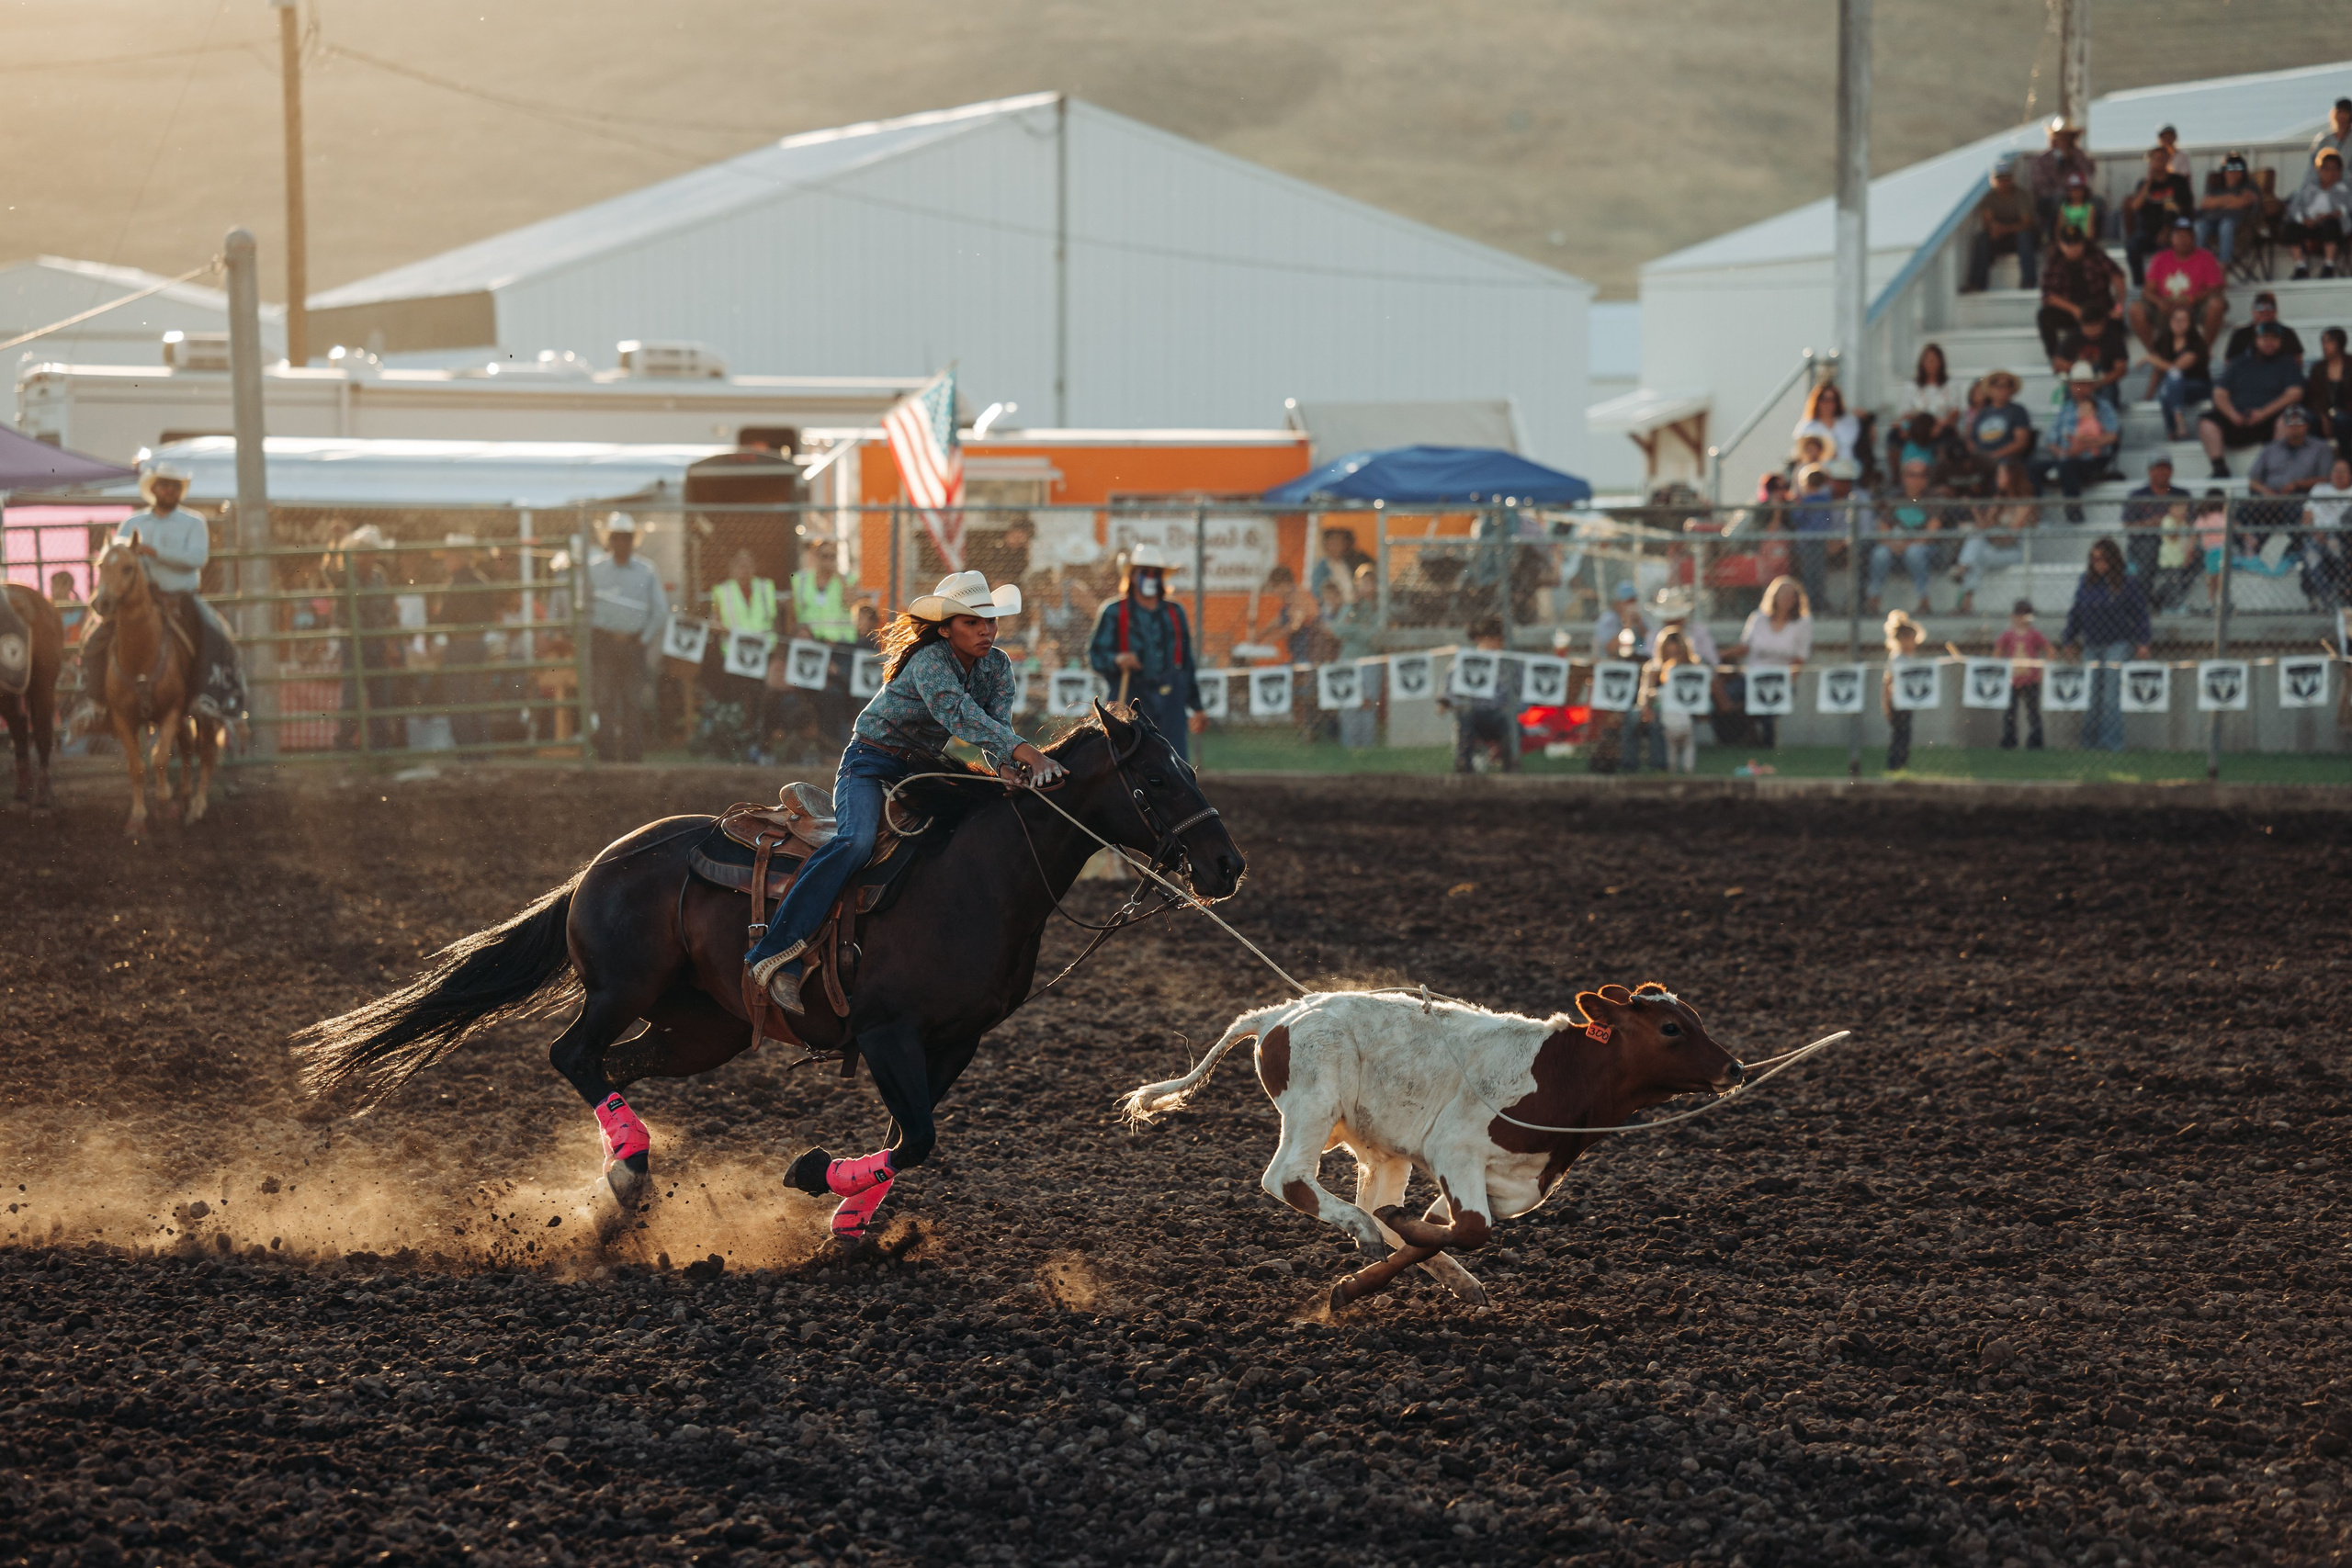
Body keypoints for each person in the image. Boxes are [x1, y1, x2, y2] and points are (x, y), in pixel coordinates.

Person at [743, 570, 1064, 1013]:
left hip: (918, 770)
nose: (986, 630)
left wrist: (1007, 765)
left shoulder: (998, 666)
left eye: (990, 620)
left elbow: (996, 727)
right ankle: (773, 950)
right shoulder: (931, 660)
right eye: (972, 622)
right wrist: (1029, 754)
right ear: (946, 628)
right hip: (870, 762)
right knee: (856, 843)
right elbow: (960, 716)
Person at [69, 461, 246, 737]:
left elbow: (198, 559)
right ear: (153, 489)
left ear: (180, 491)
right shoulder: (132, 523)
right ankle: (91, 701)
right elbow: (117, 560)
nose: (169, 490)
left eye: (174, 486)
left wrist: (157, 553)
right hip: (137, 599)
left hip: (181, 597)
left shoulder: (193, 521)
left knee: (214, 633)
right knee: (94, 640)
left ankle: (210, 697)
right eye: (164, 485)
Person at [1087, 543, 1205, 760]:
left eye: (1155, 573)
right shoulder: (1113, 611)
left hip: (1171, 700)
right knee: (1130, 759)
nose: (1150, 577)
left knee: (1173, 760)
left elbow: (1186, 662)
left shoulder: (1175, 612)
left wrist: (1196, 706)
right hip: (1130, 696)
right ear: (1132, 576)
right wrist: (1117, 659)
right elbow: (1096, 656)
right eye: (1144, 572)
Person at [585, 511, 667, 762]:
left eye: (626, 538)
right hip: (604, 642)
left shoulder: (646, 571)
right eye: (617, 537)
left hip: (633, 644)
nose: (621, 542)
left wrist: (643, 639)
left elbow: (661, 610)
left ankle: (633, 757)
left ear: (633, 541)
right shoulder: (595, 569)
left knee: (632, 700)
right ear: (609, 540)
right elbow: (583, 606)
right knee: (604, 699)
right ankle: (607, 756)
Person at [2060, 538, 2153, 751]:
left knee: (2111, 696)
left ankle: (2111, 744)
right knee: (2091, 695)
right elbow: (2076, 612)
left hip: (2117, 643)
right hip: (2092, 643)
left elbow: (2140, 614)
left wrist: (2143, 641)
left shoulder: (2127, 583)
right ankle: (2088, 743)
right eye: (2094, 559)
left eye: (2102, 559)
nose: (2098, 564)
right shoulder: (2086, 581)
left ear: (2112, 560)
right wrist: (2069, 638)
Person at [2199, 320, 2307, 479]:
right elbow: (2219, 393)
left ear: (2280, 341)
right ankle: (2219, 467)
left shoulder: (2288, 363)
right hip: (2238, 418)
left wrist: (2263, 413)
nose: (2269, 342)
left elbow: (2295, 393)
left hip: (2269, 420)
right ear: (2256, 340)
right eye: (2264, 338)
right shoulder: (2238, 363)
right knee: (2206, 422)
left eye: (2274, 338)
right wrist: (2232, 414)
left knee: (2286, 420)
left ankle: (2274, 468)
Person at [790, 536, 862, 748]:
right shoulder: (801, 580)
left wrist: (838, 576)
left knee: (843, 687)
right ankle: (823, 741)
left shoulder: (848, 579)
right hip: (812, 646)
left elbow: (851, 603)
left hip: (840, 646)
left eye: (832, 556)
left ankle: (839, 739)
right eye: (824, 556)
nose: (828, 561)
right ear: (815, 557)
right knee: (821, 692)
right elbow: (794, 615)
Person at [1728, 575, 1811, 749]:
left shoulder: (1803, 623)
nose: (1787, 598)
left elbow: (1799, 658)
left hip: (1780, 679)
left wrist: (1788, 684)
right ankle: (1742, 737)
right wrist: (1718, 655)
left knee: (1768, 707)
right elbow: (1744, 647)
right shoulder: (1758, 618)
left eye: (1791, 595)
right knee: (1729, 695)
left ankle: (1767, 745)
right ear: (1774, 596)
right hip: (1752, 676)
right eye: (1783, 594)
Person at [434, 536, 500, 750]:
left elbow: (444, 617)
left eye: (449, 557)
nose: (445, 561)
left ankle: (466, 750)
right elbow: (490, 613)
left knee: (459, 699)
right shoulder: (481, 581)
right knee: (476, 697)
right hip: (478, 644)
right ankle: (482, 749)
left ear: (458, 558)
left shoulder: (453, 585)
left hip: (459, 646)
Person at [2128, 217, 2227, 357]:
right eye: (2178, 235)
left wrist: (2193, 299)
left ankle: (2203, 350)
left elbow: (2215, 288)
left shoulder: (2206, 257)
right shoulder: (2160, 258)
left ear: (2193, 237)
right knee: (2135, 309)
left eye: (2186, 235)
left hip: (2195, 305)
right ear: (2171, 238)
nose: (2182, 239)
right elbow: (2147, 291)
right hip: (2165, 305)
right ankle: (2154, 353)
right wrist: (2160, 302)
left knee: (2217, 304)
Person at [2036, 362, 2120, 523]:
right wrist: (2065, 453)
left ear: (2091, 386)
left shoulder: (2102, 407)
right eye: (2076, 385)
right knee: (2032, 468)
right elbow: (2051, 440)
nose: (2079, 389)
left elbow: (2113, 435)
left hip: (2093, 459)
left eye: (2084, 384)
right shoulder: (2066, 408)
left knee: (2067, 467)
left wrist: (2086, 445)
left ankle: (2073, 510)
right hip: (2066, 457)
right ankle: (2036, 512)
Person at [1866, 457, 1949, 615]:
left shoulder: (1933, 499)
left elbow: (1932, 531)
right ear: (1903, 477)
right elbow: (1882, 528)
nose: (1916, 480)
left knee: (1914, 553)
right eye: (1912, 475)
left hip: (1927, 550)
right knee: (1880, 554)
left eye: (1921, 475)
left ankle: (1924, 601)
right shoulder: (1894, 498)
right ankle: (1874, 600)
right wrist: (1893, 544)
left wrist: (1907, 544)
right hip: (1895, 546)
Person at [1954, 459, 2037, 615]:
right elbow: (1984, 525)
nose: (1997, 479)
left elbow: (2011, 536)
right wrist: (1973, 509)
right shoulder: (1999, 499)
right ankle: (1966, 597)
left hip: (2015, 551)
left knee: (1977, 551)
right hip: (1994, 546)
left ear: (2012, 477)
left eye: (2001, 475)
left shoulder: (2024, 502)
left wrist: (1989, 533)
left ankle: (1962, 572)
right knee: (1977, 546)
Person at [2244, 405, 2334, 548]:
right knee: (2243, 511)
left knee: (2294, 513)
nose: (2294, 427)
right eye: (2290, 423)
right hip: (2271, 499)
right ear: (2284, 427)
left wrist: (2297, 484)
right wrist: (2267, 492)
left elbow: (2327, 478)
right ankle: (2252, 551)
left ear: (2307, 425)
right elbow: (2252, 480)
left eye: (2299, 423)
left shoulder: (2321, 448)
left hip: (2301, 499)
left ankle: (2295, 551)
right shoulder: (2270, 449)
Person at [1442, 615, 1521, 773]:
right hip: (1473, 714)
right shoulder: (1464, 662)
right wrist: (1450, 703)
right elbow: (1449, 691)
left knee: (1508, 720)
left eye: (1499, 640)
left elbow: (1521, 692)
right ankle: (1463, 766)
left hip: (1499, 715)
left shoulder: (1512, 664)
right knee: (1466, 715)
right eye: (1489, 639)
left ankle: (1510, 767)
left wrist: (1514, 707)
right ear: (1478, 639)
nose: (1494, 644)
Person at [2038, 226, 2124, 363]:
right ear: (2061, 244)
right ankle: (2057, 360)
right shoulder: (2054, 262)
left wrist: (2118, 307)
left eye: (2077, 243)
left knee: (2115, 323)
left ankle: (2111, 364)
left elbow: (2118, 277)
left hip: (2099, 309)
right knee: (2044, 316)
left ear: (2083, 243)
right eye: (2069, 244)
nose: (2073, 248)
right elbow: (2048, 296)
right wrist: (2075, 310)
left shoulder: (2097, 256)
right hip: (2072, 312)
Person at [2122, 145, 2199, 288]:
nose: (2158, 162)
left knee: (2167, 250)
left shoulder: (2178, 182)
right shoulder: (2144, 184)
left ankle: (2166, 287)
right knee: (2132, 246)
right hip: (2146, 231)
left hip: (2173, 230)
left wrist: (2168, 230)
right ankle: (2139, 285)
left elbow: (2182, 208)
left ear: (2168, 160)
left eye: (2162, 159)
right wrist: (2149, 182)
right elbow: (2135, 206)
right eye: (2155, 159)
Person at [2140, 301, 2213, 441]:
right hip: (2175, 389)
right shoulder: (2163, 341)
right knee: (2165, 390)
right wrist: (2148, 397)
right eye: (2175, 319)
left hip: (2197, 386)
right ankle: (2174, 430)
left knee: (2174, 375)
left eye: (2183, 320)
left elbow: (2176, 367)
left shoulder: (2196, 343)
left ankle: (2177, 423)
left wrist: (2151, 359)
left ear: (2190, 324)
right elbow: (2158, 371)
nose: (2178, 323)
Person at [1964, 156, 2040, 292]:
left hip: (2019, 237)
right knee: (1982, 238)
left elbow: (2027, 223)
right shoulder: (1989, 197)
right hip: (2001, 237)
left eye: (2006, 179)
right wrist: (1994, 230)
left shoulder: (2021, 195)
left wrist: (2004, 229)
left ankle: (2029, 281)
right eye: (2000, 179)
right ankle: (1977, 283)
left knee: (2024, 237)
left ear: (2012, 179)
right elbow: (1987, 223)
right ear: (1994, 181)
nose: (2003, 183)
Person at [1887, 344, 1964, 475]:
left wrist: (1939, 426)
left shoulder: (1951, 384)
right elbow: (1906, 412)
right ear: (1921, 363)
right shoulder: (1911, 385)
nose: (1931, 364)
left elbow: (1954, 411)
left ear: (1941, 362)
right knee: (1894, 435)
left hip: (1940, 426)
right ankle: (1897, 476)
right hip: (1916, 427)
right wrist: (1913, 427)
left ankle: (1941, 475)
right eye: (1928, 360)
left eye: (1934, 360)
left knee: (1947, 435)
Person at [1329, 561, 1382, 750]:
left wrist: (1353, 631)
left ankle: (1367, 745)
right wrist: (1360, 628)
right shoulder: (1352, 607)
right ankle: (1349, 746)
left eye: (1371, 582)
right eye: (1363, 582)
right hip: (1348, 659)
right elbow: (1338, 629)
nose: (1367, 587)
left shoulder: (1380, 608)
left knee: (1368, 702)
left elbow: (1376, 636)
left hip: (1371, 660)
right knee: (1348, 702)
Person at [2122, 454, 2189, 589]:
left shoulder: (2180, 494)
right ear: (2150, 471)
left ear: (2171, 471)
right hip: (2146, 541)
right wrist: (2153, 523)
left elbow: (2191, 521)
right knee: (2148, 549)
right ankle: (2145, 595)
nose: (2161, 472)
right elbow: (2129, 526)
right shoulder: (2138, 495)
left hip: (2175, 540)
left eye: (2165, 468)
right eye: (2157, 468)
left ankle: (2167, 594)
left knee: (2199, 553)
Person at [2283, 149, 2352, 279]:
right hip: (2309, 223)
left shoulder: (2344, 189)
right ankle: (2300, 266)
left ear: (2340, 171)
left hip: (2332, 224)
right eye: (2327, 169)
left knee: (2330, 225)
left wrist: (2332, 215)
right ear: (2320, 170)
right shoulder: (2309, 188)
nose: (2331, 173)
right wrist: (2303, 219)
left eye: (2335, 169)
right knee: (2290, 227)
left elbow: (2347, 207)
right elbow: (2294, 207)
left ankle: (2329, 266)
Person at [1963, 370, 2037, 491]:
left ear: (2011, 390)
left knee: (2002, 473)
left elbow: (2021, 442)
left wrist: (1994, 455)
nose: (2002, 390)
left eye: (2006, 386)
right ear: (1990, 389)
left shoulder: (2018, 411)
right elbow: (1971, 440)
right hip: (1981, 458)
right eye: (1998, 386)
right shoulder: (1982, 413)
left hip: (2007, 460)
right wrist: (1977, 456)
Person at [2030, 115, 2097, 245]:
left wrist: (2075, 156)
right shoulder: (2044, 159)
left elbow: (2090, 173)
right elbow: (2041, 188)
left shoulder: (2078, 155)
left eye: (2067, 137)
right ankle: (2055, 242)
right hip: (2050, 201)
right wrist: (2058, 165)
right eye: (2060, 137)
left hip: (2077, 198)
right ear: (2054, 138)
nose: (2064, 141)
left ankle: (2089, 242)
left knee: (2096, 203)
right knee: (2059, 202)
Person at [1994, 598, 2051, 750]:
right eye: (2020, 616)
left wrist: (2043, 671)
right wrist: (2000, 669)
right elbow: (1998, 651)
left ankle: (2036, 741)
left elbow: (2049, 650)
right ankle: (2009, 740)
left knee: (2033, 712)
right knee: (2010, 712)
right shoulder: (2008, 635)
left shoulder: (2034, 634)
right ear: (2014, 617)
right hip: (2012, 680)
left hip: (2031, 680)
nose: (2023, 620)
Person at [2054, 299, 2132, 411]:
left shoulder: (2113, 339)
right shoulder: (2072, 338)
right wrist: (2077, 370)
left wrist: (2098, 383)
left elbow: (2121, 369)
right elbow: (2057, 363)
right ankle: (2073, 418)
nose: (2091, 331)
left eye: (2095, 326)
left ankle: (2105, 418)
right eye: (2087, 327)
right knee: (2072, 393)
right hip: (2079, 382)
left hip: (2103, 382)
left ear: (2103, 323)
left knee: (2107, 394)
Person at [1644, 626, 1701, 774]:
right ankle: (1662, 764)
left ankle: (1684, 767)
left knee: (1686, 744)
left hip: (1686, 714)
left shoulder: (1692, 669)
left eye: (1676, 651)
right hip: (1662, 713)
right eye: (1669, 651)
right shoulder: (1654, 669)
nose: (1673, 655)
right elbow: (1647, 696)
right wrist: (1650, 703)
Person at [2198, 153, 2263, 271]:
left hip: (2237, 222)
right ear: (2224, 171)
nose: (2234, 172)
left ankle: (2223, 264)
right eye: (2229, 168)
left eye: (2238, 168)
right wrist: (2231, 199)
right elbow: (2205, 203)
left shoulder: (2249, 185)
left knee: (2226, 226)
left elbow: (2244, 202)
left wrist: (2218, 202)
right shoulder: (2216, 184)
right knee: (2199, 226)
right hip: (2211, 220)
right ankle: (2200, 264)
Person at [1880, 611, 1925, 772]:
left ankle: (1903, 763)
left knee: (1906, 734)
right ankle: (1894, 764)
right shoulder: (1897, 659)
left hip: (1908, 702)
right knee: (1898, 734)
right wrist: (1886, 703)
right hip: (1897, 702)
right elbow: (1888, 682)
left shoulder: (1911, 658)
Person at [1792, 379, 1864, 468]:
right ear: (1817, 402)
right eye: (1823, 400)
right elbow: (1801, 454)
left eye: (1832, 400)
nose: (1827, 404)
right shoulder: (1807, 427)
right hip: (1819, 471)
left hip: (1847, 470)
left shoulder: (1849, 422)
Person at [2222, 293, 2304, 365]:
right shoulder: (2240, 335)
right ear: (2253, 311)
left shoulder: (2288, 333)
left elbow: (2297, 362)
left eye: (2270, 308)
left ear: (2276, 311)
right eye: (2260, 308)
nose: (2265, 312)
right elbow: (2229, 364)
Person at [2308, 326, 2352, 455]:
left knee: (2341, 420)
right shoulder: (2318, 367)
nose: (2324, 346)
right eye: (2323, 342)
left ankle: (2345, 459)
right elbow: (2313, 396)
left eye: (2329, 341)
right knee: (2309, 419)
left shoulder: (2350, 364)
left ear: (2339, 343)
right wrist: (2323, 416)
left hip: (2347, 412)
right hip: (2323, 412)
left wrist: (2340, 413)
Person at [1590, 580, 1651, 659]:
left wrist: (1639, 624)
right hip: (1612, 662)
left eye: (1634, 601)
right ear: (1617, 603)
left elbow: (1651, 643)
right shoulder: (1607, 620)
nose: (1631, 605)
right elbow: (1609, 649)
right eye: (1628, 602)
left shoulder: (1640, 619)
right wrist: (1627, 627)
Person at [49, 570, 85, 643]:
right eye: (52, 586)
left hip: (73, 644)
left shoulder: (79, 609)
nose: (52, 589)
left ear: (68, 587)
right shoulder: (48, 608)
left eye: (57, 585)